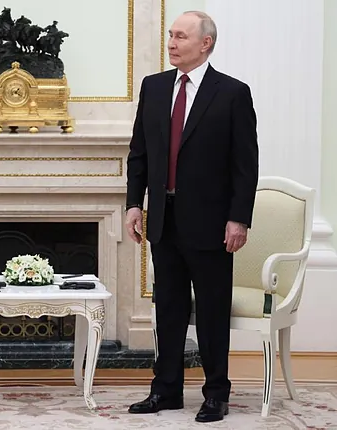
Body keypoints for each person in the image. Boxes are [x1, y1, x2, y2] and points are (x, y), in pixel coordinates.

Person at [124, 11, 258, 423]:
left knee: (213, 312)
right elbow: (139, 153)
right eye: (170, 35)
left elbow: (245, 165)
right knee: (169, 309)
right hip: (164, 219)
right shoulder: (154, 87)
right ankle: (166, 390)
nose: (171, 42)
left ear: (205, 43)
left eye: (181, 36)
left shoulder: (232, 93)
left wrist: (239, 218)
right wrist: (134, 204)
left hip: (212, 224)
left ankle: (216, 394)